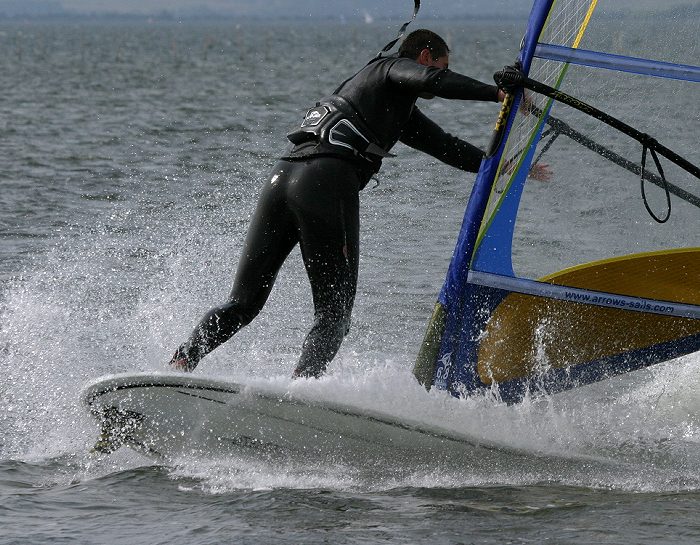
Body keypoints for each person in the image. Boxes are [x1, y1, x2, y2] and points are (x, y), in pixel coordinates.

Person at [169, 29, 527, 378]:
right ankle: (302, 391)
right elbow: (433, 81)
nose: (437, 75)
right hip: (325, 182)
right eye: (440, 66)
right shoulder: (388, 68)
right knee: (334, 314)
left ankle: (183, 361)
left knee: (243, 304)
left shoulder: (385, 106)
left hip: (282, 177)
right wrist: (497, 93)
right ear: (424, 57)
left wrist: (501, 168)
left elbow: (445, 145)